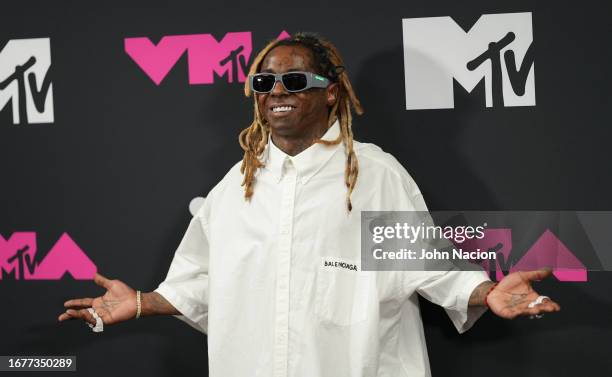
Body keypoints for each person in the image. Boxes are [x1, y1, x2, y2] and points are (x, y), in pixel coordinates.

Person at [58, 33, 561, 377]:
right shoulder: (235, 188)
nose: (277, 91)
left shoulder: (372, 176)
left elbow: (429, 270)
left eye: (295, 81)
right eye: (264, 82)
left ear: (331, 93)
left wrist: (488, 293)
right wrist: (144, 303)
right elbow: (200, 282)